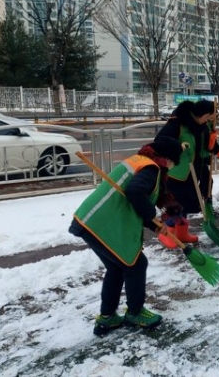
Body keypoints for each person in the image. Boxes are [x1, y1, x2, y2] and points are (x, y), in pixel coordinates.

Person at [68, 136, 183, 336]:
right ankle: (135, 313)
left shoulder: (139, 160)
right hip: (102, 223)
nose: (171, 169)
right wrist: (152, 216)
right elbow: (135, 192)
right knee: (136, 265)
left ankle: (107, 318)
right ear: (167, 158)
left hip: (89, 221)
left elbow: (135, 199)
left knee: (117, 267)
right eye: (173, 163)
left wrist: (154, 226)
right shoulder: (151, 168)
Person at [155, 99, 219, 242]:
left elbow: (205, 141)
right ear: (202, 114)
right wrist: (179, 146)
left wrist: (216, 148)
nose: (208, 120)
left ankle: (181, 233)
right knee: (177, 203)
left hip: (194, 169)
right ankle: (167, 232)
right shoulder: (177, 123)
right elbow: (160, 141)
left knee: (189, 201)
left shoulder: (201, 124)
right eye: (208, 117)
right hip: (177, 172)